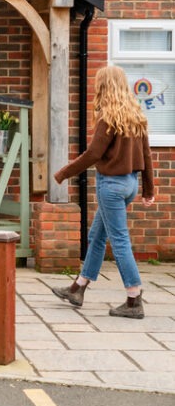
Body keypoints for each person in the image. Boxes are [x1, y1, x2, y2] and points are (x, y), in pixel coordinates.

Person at [52, 65, 156, 319]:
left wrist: (63, 173)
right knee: (97, 236)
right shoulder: (136, 116)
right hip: (129, 184)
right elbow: (147, 156)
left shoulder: (108, 118)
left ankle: (134, 299)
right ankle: (78, 288)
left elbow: (93, 155)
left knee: (120, 242)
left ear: (104, 87)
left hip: (111, 186)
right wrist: (148, 189)